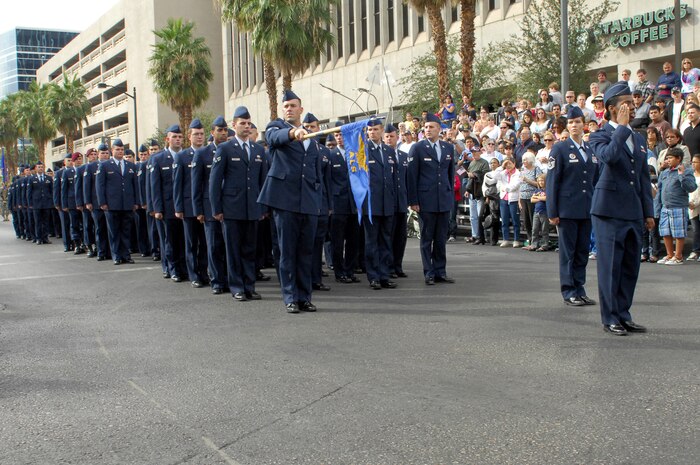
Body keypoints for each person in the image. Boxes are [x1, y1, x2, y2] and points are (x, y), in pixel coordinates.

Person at [589, 81, 655, 336]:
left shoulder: (638, 139)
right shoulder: (600, 135)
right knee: (610, 266)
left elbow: (642, 177)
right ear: (612, 108)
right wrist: (623, 128)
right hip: (608, 211)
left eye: (632, 101)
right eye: (625, 103)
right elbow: (609, 158)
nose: (631, 106)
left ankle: (624, 313)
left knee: (630, 267)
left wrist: (648, 212)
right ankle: (610, 317)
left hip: (632, 210)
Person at [258, 89, 326, 313]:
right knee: (287, 252)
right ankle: (290, 297)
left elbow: (316, 173)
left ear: (301, 109)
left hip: (308, 201)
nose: (289, 109)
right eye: (285, 106)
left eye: (293, 105)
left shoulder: (311, 138)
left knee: (306, 252)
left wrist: (318, 201)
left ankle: (304, 296)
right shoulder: (277, 127)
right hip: (285, 201)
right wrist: (292, 134)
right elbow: (273, 139)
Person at [210, 106, 268, 301]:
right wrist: (216, 209)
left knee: (250, 249)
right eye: (241, 123)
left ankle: (249, 285)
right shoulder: (225, 148)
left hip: (252, 207)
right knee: (233, 250)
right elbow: (215, 181)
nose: (245, 126)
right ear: (233, 125)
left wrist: (262, 207)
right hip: (232, 208)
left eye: (248, 123)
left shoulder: (258, 149)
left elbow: (262, 181)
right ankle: (237, 287)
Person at [545, 106, 599, 306]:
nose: (574, 125)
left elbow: (594, 180)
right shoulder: (559, 148)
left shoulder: (589, 149)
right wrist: (553, 211)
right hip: (566, 209)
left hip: (585, 208)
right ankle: (569, 291)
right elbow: (552, 182)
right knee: (568, 253)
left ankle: (580, 288)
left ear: (584, 124)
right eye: (571, 122)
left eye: (577, 122)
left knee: (582, 252)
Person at [407, 113, 455, 285]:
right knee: (427, 239)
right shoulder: (418, 148)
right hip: (425, 201)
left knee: (441, 238)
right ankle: (429, 272)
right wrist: (413, 201)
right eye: (426, 127)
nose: (428, 130)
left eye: (431, 127)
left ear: (439, 129)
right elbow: (412, 177)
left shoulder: (448, 148)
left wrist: (450, 196)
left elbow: (450, 174)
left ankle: (440, 271)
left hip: (443, 199)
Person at [193, 115, 229, 295]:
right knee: (213, 246)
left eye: (224, 130)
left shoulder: (231, 150)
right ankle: (217, 281)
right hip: (209, 209)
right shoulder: (202, 153)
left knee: (228, 246)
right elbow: (197, 184)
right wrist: (198, 210)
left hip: (230, 206)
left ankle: (229, 279)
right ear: (212, 132)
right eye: (219, 130)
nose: (222, 133)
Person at [362, 117, 398, 290]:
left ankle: (384, 275)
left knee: (385, 241)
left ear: (382, 131)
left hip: (387, 203)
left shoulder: (389, 151)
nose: (373, 133)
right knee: (371, 242)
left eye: (376, 129)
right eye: (370, 130)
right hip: (371, 204)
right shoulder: (363, 150)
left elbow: (393, 177)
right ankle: (373, 276)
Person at [174, 118, 209, 288]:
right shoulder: (182, 156)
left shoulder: (210, 153)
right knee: (191, 243)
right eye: (196, 134)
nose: (199, 137)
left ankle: (204, 272)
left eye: (202, 134)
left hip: (206, 206)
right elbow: (177, 184)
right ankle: (193, 274)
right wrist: (179, 207)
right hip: (188, 207)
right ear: (189, 136)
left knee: (205, 243)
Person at [151, 125, 188, 281]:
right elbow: (155, 186)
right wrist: (157, 208)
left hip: (185, 206)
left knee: (185, 240)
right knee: (171, 240)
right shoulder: (158, 159)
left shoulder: (188, 156)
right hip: (168, 206)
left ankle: (184, 268)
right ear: (167, 139)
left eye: (180, 137)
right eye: (174, 137)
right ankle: (173, 269)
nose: (177, 139)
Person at [301, 112, 333, 292]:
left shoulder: (324, 151)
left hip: (320, 204)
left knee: (317, 244)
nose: (309, 130)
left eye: (312, 127)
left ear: (318, 129)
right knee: (304, 245)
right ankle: (304, 280)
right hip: (304, 203)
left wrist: (329, 206)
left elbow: (326, 181)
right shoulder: (298, 146)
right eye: (306, 127)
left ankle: (316, 278)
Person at [96, 138, 139, 265]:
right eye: (117, 149)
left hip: (127, 204)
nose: (120, 151)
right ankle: (116, 255)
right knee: (114, 231)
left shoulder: (130, 166)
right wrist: (102, 202)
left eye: (121, 149)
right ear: (111, 151)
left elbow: (135, 185)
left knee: (126, 230)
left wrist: (136, 201)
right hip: (111, 204)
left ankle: (126, 254)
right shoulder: (104, 165)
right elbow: (100, 185)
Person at [328, 122, 361, 284]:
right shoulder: (330, 155)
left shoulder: (355, 154)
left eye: (342, 135)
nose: (340, 138)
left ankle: (349, 270)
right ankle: (339, 272)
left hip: (354, 204)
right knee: (337, 241)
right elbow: (327, 181)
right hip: (338, 204)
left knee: (353, 240)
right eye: (337, 135)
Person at [656, 148, 697, 265]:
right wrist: (657, 207)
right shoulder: (664, 172)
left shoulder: (687, 171)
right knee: (665, 231)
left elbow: (691, 187)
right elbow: (659, 190)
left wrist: (681, 175)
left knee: (678, 232)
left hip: (678, 206)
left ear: (678, 159)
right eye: (667, 158)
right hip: (665, 206)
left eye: (670, 158)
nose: (668, 160)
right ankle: (670, 255)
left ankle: (678, 256)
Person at [384, 123, 409, 279]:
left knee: (401, 236)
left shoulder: (404, 156)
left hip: (402, 202)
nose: (389, 139)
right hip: (388, 202)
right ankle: (388, 267)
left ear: (397, 137)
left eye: (391, 136)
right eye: (386, 137)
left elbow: (408, 180)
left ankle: (398, 265)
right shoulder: (382, 155)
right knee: (389, 236)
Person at [84, 143, 112, 261]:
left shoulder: (112, 165)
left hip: (110, 203)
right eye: (102, 153)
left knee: (110, 229)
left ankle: (110, 252)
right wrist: (88, 202)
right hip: (95, 203)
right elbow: (86, 186)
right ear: (98, 155)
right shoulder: (91, 167)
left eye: (106, 153)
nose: (105, 155)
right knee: (99, 228)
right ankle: (101, 251)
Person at [464, 147, 489, 244]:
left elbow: (486, 176)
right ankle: (475, 235)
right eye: (473, 152)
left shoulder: (484, 162)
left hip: (480, 191)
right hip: (472, 190)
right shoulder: (471, 163)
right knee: (473, 216)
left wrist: (475, 175)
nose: (474, 154)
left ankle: (482, 236)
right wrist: (467, 189)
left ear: (480, 152)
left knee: (480, 215)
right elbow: (469, 178)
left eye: (476, 152)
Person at [26, 160, 53, 244]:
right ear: (36, 168)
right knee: (37, 221)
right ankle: (38, 238)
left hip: (46, 203)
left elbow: (51, 191)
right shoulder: (32, 179)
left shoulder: (48, 178)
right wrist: (30, 203)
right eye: (39, 167)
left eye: (42, 167)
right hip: (36, 204)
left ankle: (45, 237)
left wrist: (51, 202)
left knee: (46, 221)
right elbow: (29, 192)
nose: (40, 168)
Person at [62, 152, 84, 254]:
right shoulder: (67, 172)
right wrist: (64, 204)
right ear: (73, 161)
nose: (79, 161)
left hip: (83, 203)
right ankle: (77, 244)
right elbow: (64, 190)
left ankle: (85, 243)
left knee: (84, 224)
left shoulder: (85, 170)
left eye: (80, 159)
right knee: (74, 224)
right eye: (77, 160)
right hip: (72, 203)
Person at [518, 152, 541, 249]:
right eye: (523, 160)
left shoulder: (536, 169)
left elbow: (539, 184)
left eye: (525, 160)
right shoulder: (522, 170)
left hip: (533, 197)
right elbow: (520, 185)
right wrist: (519, 199)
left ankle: (536, 241)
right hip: (523, 197)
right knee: (526, 220)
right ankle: (530, 240)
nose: (524, 162)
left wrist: (527, 180)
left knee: (533, 220)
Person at [528, 174, 550, 251]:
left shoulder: (548, 190)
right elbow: (532, 200)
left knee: (544, 230)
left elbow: (546, 198)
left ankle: (544, 245)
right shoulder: (537, 190)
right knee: (534, 229)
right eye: (539, 180)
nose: (541, 182)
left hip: (544, 212)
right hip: (536, 212)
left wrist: (537, 197)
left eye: (542, 180)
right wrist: (540, 198)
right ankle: (534, 244)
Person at [688, 154, 700, 261]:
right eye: (692, 162)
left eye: (696, 162)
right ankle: (695, 250)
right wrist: (689, 203)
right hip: (691, 207)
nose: (693, 164)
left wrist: (696, 203)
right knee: (696, 229)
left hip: (697, 204)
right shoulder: (691, 175)